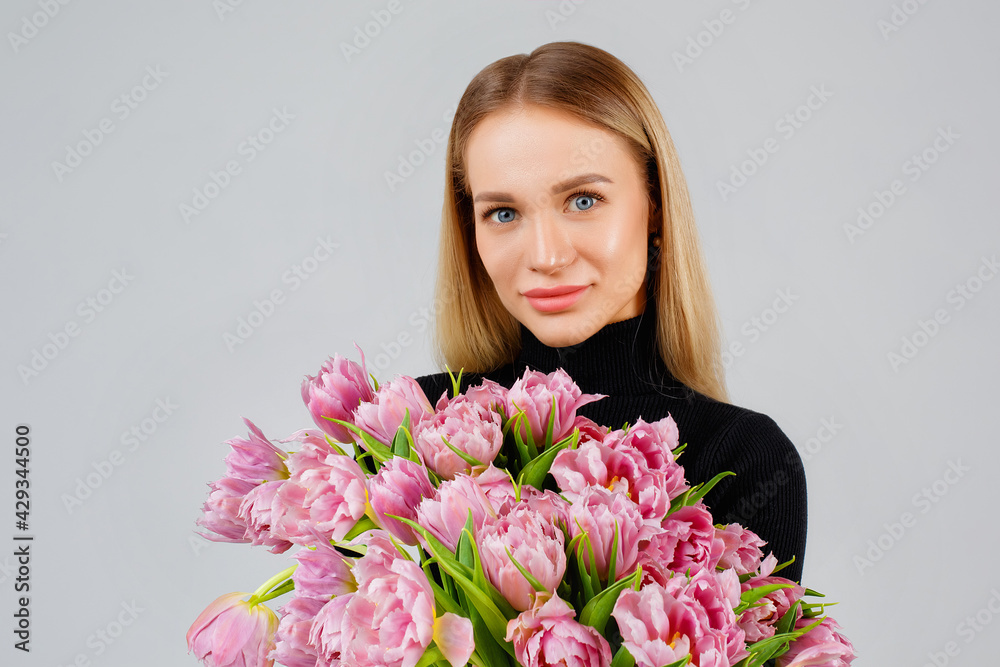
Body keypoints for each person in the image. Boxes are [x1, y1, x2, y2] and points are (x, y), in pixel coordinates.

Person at [415, 41, 807, 585]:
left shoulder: (744, 460)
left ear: (654, 206)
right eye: (503, 213)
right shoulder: (414, 433)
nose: (546, 257)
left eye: (582, 201)